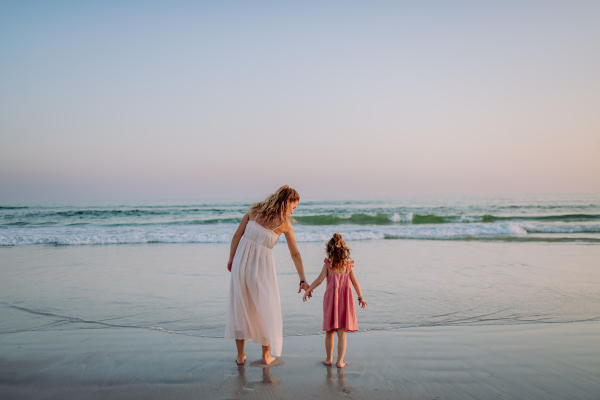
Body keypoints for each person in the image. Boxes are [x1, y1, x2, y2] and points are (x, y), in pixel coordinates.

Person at [225, 185, 310, 365]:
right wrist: (302, 278)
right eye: (293, 206)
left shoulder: (253, 212)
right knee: (267, 307)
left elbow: (236, 236)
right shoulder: (284, 225)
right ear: (286, 203)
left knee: (240, 305)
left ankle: (241, 356)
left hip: (240, 263)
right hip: (262, 269)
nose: (293, 210)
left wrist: (232, 259)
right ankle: (266, 356)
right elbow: (295, 254)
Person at [302, 233, 367, 368]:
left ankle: (328, 359)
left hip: (331, 301)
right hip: (345, 300)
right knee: (342, 333)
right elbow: (355, 282)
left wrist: (308, 290)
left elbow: (319, 280)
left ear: (329, 250)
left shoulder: (328, 265)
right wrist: (360, 297)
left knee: (329, 332)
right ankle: (340, 361)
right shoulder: (348, 265)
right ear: (344, 250)